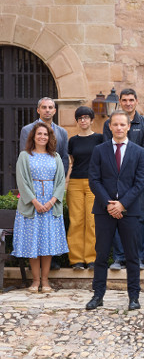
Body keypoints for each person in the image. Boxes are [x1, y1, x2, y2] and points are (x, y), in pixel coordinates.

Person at [86, 111, 144, 311]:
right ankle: (98, 295)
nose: (119, 128)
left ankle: (134, 297)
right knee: (102, 254)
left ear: (129, 126)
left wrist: (122, 204)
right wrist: (109, 204)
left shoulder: (139, 152)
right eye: (115, 125)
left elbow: (140, 182)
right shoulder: (99, 150)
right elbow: (94, 179)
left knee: (132, 256)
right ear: (110, 127)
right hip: (104, 211)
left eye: (123, 124)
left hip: (130, 211)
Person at [101, 88, 144, 271]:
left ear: (136, 101)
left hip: (138, 180)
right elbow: (107, 149)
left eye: (131, 100)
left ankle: (138, 258)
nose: (128, 103)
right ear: (120, 102)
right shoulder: (110, 124)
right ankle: (119, 258)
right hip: (115, 180)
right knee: (116, 215)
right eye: (124, 100)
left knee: (140, 218)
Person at [13, 123, 68, 293]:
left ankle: (45, 281)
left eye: (45, 134)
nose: (42, 137)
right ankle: (35, 281)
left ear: (50, 137)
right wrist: (35, 202)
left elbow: (60, 182)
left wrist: (52, 201)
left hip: (50, 206)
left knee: (47, 245)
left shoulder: (56, 156)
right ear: (33, 136)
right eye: (39, 134)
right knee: (33, 244)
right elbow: (21, 181)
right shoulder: (25, 156)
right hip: (31, 206)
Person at [66, 105, 104, 271]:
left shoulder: (99, 138)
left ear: (91, 120)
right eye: (80, 118)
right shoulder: (72, 140)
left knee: (92, 221)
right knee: (76, 221)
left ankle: (91, 258)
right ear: (77, 121)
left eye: (86, 118)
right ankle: (76, 260)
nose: (83, 120)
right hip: (75, 182)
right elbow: (72, 162)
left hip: (93, 183)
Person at [20, 97, 69, 176]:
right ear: (38, 110)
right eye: (44, 107)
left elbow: (65, 158)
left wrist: (61, 178)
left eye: (50, 107)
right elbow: (25, 156)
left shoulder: (62, 132)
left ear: (54, 111)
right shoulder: (27, 130)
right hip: (34, 177)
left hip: (55, 177)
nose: (47, 110)